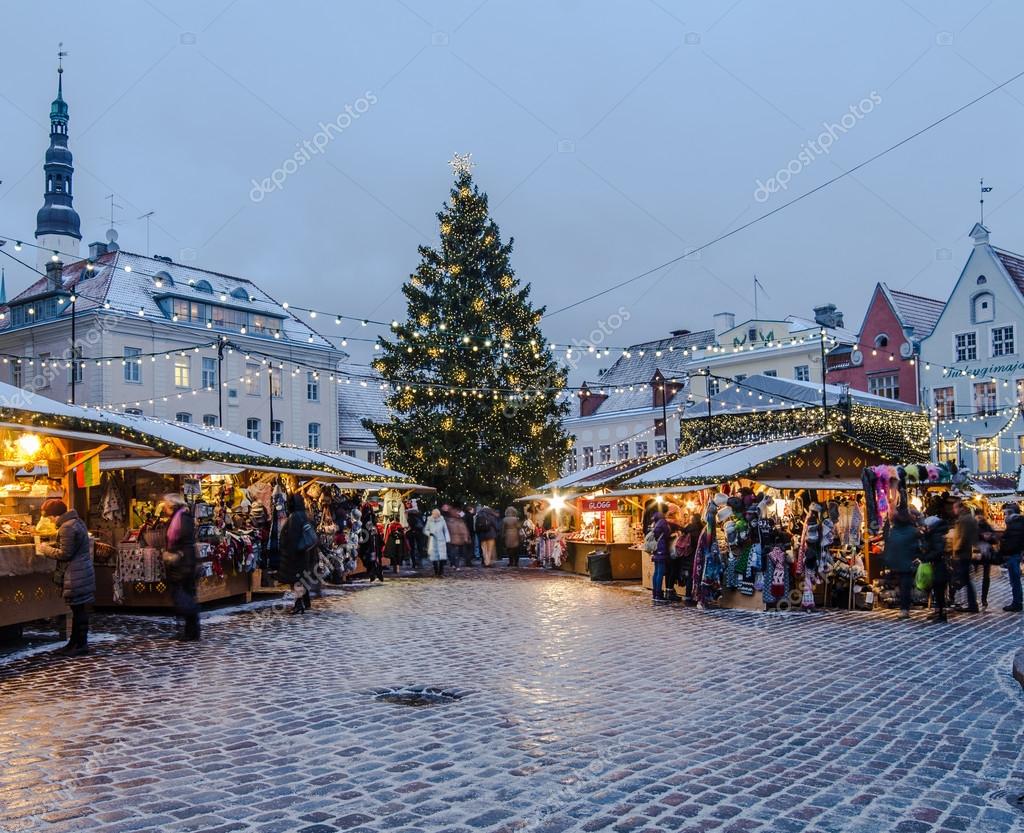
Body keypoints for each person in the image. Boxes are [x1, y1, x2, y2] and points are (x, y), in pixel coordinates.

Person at [38, 499, 94, 656]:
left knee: (79, 609)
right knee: (78, 609)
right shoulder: (76, 522)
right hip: (82, 571)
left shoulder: (66, 527)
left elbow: (65, 554)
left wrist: (45, 549)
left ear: (56, 515)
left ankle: (80, 644)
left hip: (75, 573)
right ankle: (75, 643)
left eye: (49, 516)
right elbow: (71, 548)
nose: (49, 520)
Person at [161, 494, 201, 639]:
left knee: (182, 595)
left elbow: (185, 540)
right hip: (182, 562)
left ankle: (192, 620)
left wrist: (175, 554)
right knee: (184, 594)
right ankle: (191, 631)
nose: (164, 508)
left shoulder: (183, 517)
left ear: (172, 504)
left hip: (183, 562)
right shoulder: (178, 517)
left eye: (165, 504)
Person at [279, 494, 316, 614]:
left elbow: (292, 537)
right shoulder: (304, 515)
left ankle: (299, 604)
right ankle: (306, 602)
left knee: (296, 580)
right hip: (304, 553)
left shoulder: (295, 517)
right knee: (301, 578)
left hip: (295, 554)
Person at [883, 509, 921, 619]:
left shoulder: (894, 531)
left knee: (901, 585)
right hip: (907, 563)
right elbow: (917, 546)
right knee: (906, 587)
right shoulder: (912, 531)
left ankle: (903, 607)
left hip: (896, 562)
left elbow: (890, 545)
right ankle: (905, 609)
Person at [921, 511, 950, 623]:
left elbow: (938, 551)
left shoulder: (936, 535)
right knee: (938, 590)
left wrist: (926, 557)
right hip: (938, 565)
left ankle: (942, 614)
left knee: (939, 590)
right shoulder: (936, 533)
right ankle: (939, 612)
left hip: (940, 566)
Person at [951, 499, 979, 613]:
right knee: (966, 579)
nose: (953, 510)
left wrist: (956, 549)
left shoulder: (963, 520)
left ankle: (969, 604)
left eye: (955, 508)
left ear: (960, 508)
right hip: (966, 553)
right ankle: (972, 604)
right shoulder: (970, 518)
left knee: (961, 579)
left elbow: (962, 537)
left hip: (963, 553)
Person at [999, 503, 1024, 612]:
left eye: (1005, 513)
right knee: (1015, 579)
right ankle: (1018, 600)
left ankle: (1017, 603)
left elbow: (1011, 541)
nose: (1004, 516)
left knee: (1014, 579)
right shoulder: (1018, 522)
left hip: (1013, 554)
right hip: (1016, 554)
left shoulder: (1014, 524)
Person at [975, 507, 996, 610]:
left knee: (986, 577)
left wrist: (990, 537)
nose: (980, 517)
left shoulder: (986, 525)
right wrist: (983, 536)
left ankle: (984, 598)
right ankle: (982, 599)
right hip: (977, 553)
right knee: (984, 577)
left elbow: (994, 539)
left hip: (985, 554)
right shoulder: (974, 525)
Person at [649, 511, 672, 603]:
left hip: (655, 549)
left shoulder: (654, 523)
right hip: (661, 549)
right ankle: (658, 594)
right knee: (660, 572)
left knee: (656, 572)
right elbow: (667, 534)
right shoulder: (662, 522)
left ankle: (655, 593)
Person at [443, 504, 470, 569]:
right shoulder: (460, 521)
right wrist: (466, 538)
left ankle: (453, 564)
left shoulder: (448, 520)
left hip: (450, 538)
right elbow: (464, 530)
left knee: (452, 552)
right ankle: (456, 565)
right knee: (456, 552)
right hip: (458, 539)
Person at [425, 508, 450, 576]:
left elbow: (446, 530)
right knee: (434, 557)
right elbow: (426, 530)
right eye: (433, 514)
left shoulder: (442, 521)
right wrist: (429, 533)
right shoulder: (429, 521)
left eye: (435, 514)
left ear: (438, 514)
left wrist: (447, 539)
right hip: (432, 540)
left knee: (442, 556)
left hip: (441, 540)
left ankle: (441, 571)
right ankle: (436, 571)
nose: (434, 515)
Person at [406, 502, 425, 570]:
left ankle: (414, 563)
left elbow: (408, 524)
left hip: (411, 533)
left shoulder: (408, 514)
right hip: (419, 532)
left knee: (412, 548)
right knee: (419, 548)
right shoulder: (419, 514)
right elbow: (422, 523)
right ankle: (419, 563)